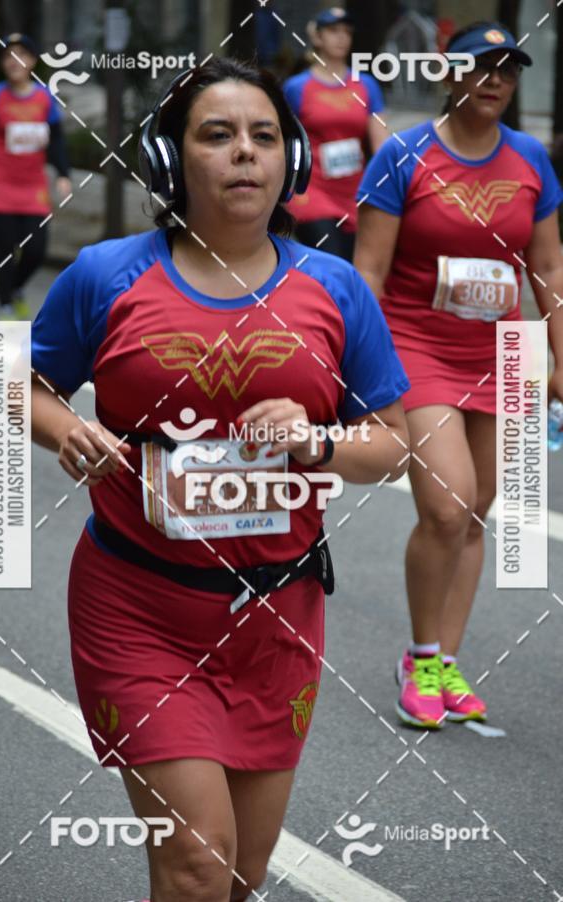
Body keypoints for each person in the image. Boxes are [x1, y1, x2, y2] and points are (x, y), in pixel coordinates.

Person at [31, 58, 410, 902]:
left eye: (264, 136)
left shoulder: (337, 289)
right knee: (197, 864)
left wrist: (316, 441)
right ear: (171, 160)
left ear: (292, 160)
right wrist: (67, 429)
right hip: (138, 610)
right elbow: (25, 388)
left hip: (277, 620)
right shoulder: (104, 275)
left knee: (240, 876)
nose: (245, 152)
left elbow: (393, 445)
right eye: (217, 134)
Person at [355, 22, 563, 730]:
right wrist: (359, 367)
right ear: (451, 74)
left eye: (509, 69)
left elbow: (548, 266)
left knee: (477, 511)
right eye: (482, 66)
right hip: (418, 347)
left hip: (505, 353)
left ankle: (446, 658)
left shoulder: (531, 159)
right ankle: (418, 659)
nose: (496, 79)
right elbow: (369, 273)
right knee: (446, 507)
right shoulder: (404, 155)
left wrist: (559, 356)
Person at [0, 33, 70, 320]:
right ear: (3, 63)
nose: (14, 61)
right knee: (5, 247)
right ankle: (5, 308)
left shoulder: (44, 97)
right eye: (8, 56)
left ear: (32, 61)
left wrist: (63, 174)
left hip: (33, 185)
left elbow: (56, 139)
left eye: (21, 54)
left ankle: (15, 289)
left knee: (36, 250)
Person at [283, 7, 386, 261]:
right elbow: (282, 143)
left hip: (355, 195)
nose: (341, 37)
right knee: (331, 260)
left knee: (352, 267)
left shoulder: (366, 85)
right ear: (317, 37)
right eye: (333, 30)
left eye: (347, 32)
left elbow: (382, 146)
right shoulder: (296, 88)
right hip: (312, 193)